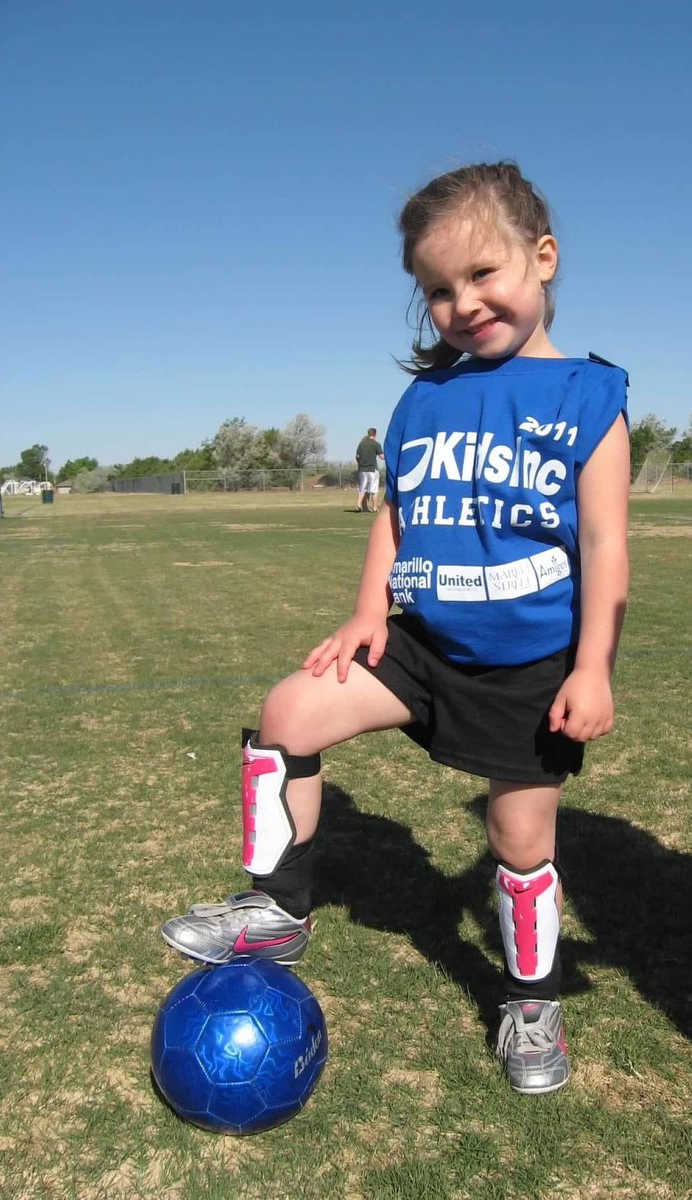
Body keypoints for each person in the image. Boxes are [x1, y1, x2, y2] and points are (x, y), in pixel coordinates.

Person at [161, 161, 630, 1095]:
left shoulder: (588, 395)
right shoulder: (425, 400)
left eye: (484, 275)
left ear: (543, 259)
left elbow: (608, 545)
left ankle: (530, 1003)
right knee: (289, 710)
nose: (463, 303)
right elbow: (396, 514)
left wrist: (593, 669)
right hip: (417, 645)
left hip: (527, 668)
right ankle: (275, 909)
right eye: (438, 291)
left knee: (519, 844)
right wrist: (368, 608)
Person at [355, 427, 384, 512]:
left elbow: (357, 456)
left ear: (368, 434)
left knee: (363, 488)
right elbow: (381, 457)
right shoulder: (376, 444)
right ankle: (375, 507)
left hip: (362, 469)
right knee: (374, 489)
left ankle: (363, 506)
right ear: (375, 434)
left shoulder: (362, 444)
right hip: (372, 469)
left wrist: (360, 464)